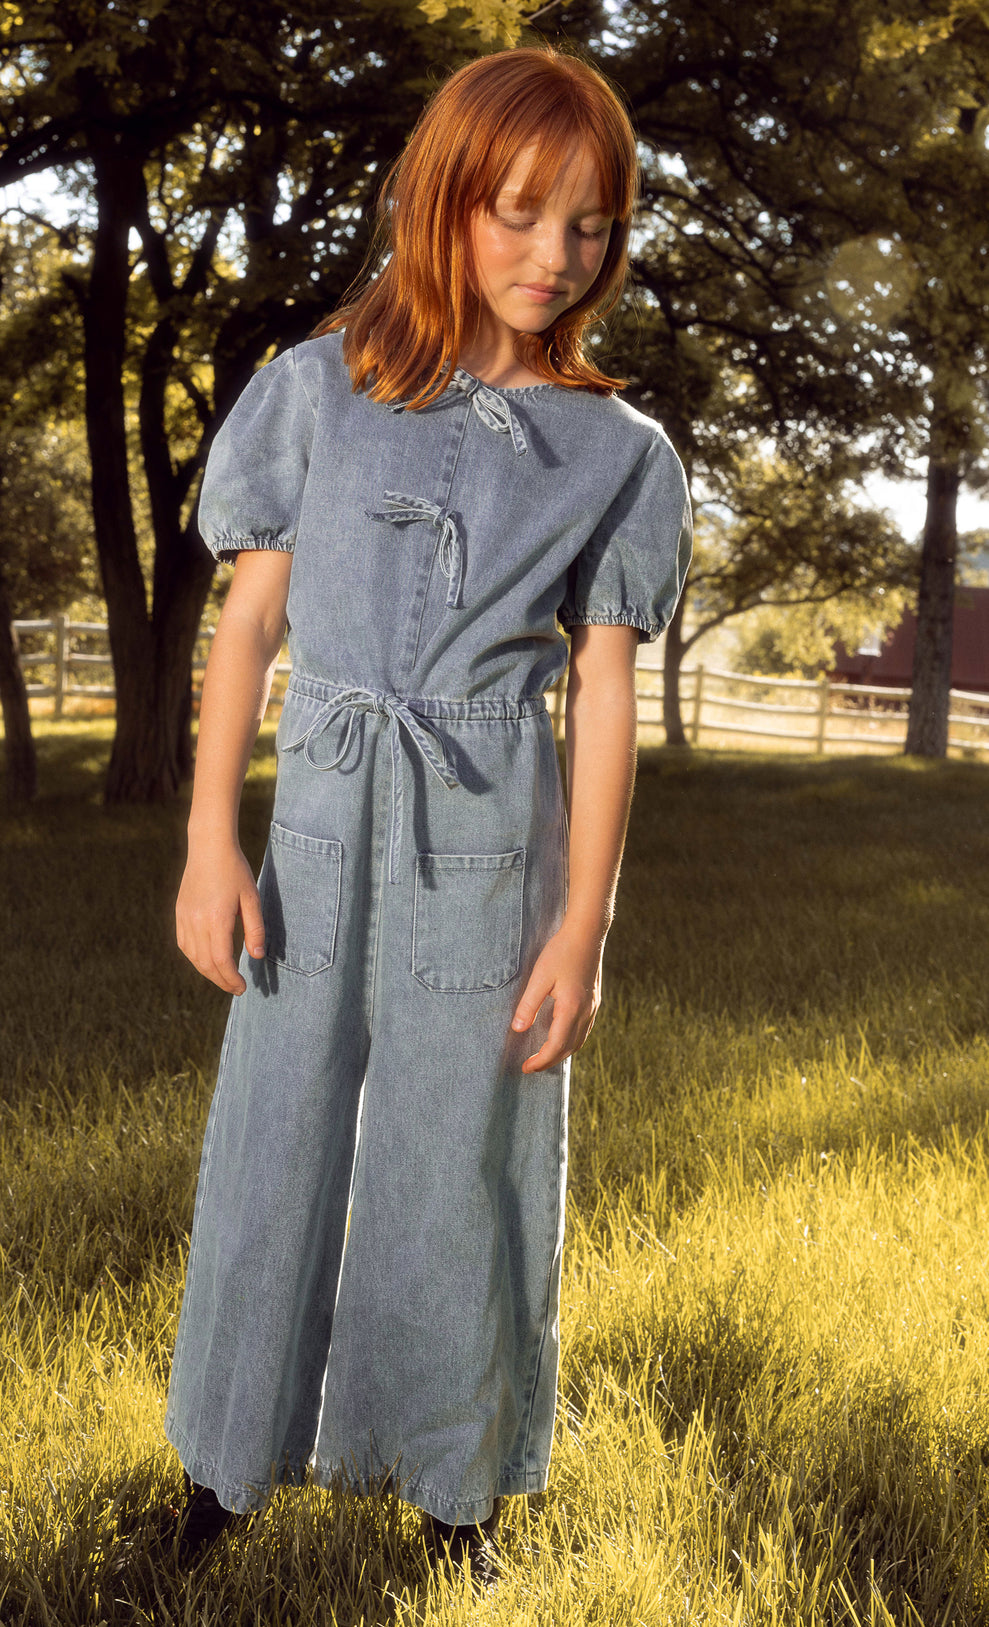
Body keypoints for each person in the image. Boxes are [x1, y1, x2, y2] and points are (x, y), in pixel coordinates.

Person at [164, 43, 692, 1577]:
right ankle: (223, 1462)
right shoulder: (316, 390)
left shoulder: (617, 453)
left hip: (486, 823)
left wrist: (579, 929)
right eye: (520, 213)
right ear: (441, 203)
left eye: (589, 225)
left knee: (463, 1142)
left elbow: (600, 698)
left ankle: (453, 1487)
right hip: (322, 806)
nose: (553, 255)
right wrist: (211, 841)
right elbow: (250, 631)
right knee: (276, 1122)